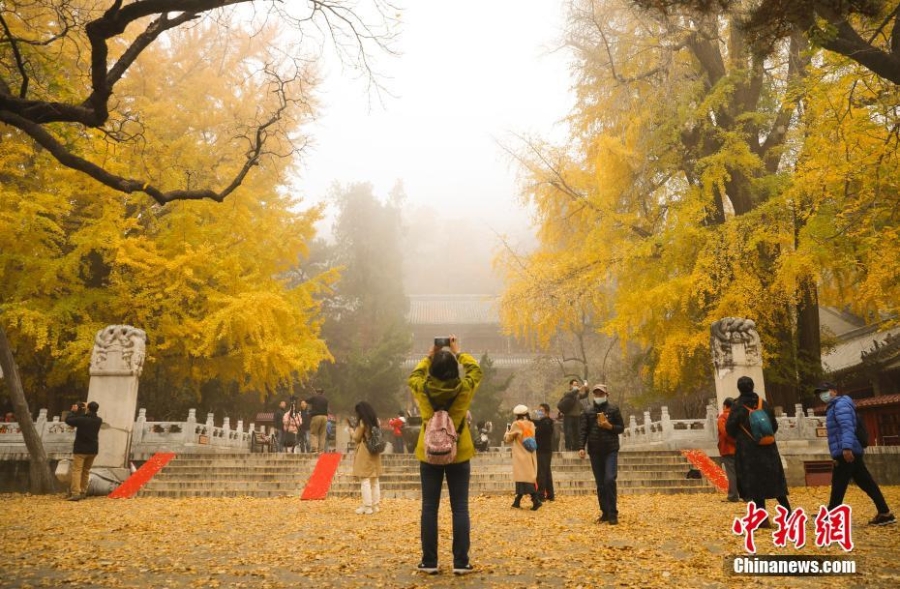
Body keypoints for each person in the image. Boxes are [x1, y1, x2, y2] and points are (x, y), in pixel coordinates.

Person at [408, 334, 483, 576]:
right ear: (454, 369)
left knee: (429, 507)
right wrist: (458, 351)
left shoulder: (423, 388)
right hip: (458, 452)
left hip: (429, 452)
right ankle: (461, 562)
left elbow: (414, 376)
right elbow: (475, 370)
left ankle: (429, 561)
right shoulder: (464, 388)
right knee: (460, 507)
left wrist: (430, 355)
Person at [817, 382, 896, 525]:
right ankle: (885, 512)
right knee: (866, 483)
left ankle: (831, 515)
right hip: (849, 449)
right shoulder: (835, 406)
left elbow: (847, 427)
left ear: (834, 391)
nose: (822, 395)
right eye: (819, 393)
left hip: (846, 450)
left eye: (825, 391)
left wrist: (846, 448)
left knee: (839, 484)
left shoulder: (840, 405)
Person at [725, 376, 791, 526]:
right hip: (768, 449)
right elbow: (773, 426)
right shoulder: (764, 403)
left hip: (748, 451)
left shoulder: (737, 406)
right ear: (753, 386)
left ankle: (762, 519)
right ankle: (788, 515)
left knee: (754, 484)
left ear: (739, 388)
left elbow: (730, 429)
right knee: (775, 482)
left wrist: (742, 437)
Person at [579, 384, 624, 524]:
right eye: (596, 394)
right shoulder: (588, 411)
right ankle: (605, 512)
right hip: (595, 451)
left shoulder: (614, 409)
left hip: (610, 450)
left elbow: (621, 428)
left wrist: (609, 426)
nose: (599, 396)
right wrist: (581, 447)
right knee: (600, 484)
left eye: (601, 394)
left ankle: (613, 513)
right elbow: (583, 430)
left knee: (609, 479)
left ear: (606, 394)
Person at [504, 405, 542, 510]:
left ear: (517, 415)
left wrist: (507, 431)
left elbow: (508, 439)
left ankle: (536, 500)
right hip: (530, 453)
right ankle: (517, 501)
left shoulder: (516, 424)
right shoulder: (531, 424)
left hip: (521, 455)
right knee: (524, 478)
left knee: (524, 478)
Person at [65, 401, 102, 501]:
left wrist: (73, 411)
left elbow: (68, 420)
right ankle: (83, 491)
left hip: (81, 449)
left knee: (77, 470)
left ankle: (75, 493)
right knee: (86, 471)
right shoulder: (99, 420)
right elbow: (86, 418)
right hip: (93, 449)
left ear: (88, 409)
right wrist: (86, 409)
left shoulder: (82, 419)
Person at [351, 401, 384, 514]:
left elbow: (356, 437)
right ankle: (375, 505)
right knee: (374, 479)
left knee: (364, 479)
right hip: (375, 452)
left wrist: (352, 431)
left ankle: (367, 506)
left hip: (365, 452)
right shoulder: (376, 421)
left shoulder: (363, 422)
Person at [717, 397, 739, 502]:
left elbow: (724, 432)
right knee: (740, 472)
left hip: (728, 448)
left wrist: (733, 441)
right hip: (740, 449)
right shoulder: (737, 416)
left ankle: (733, 495)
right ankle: (746, 494)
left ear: (725, 406)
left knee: (731, 473)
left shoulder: (723, 417)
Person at [534, 403, 556, 501]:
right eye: (539, 410)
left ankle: (540, 494)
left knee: (542, 473)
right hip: (543, 450)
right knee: (546, 472)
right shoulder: (543, 422)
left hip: (544, 451)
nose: (539, 412)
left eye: (541, 410)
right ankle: (550, 494)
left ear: (546, 412)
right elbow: (537, 422)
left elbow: (541, 429)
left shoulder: (547, 422)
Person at [559, 379, 587, 451]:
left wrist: (587, 389)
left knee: (577, 433)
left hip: (577, 416)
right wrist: (579, 389)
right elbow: (571, 393)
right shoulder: (567, 393)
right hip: (568, 416)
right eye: (575, 385)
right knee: (568, 433)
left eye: (577, 385)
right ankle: (568, 447)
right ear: (570, 385)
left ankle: (576, 448)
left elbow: (585, 395)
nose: (576, 386)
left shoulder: (578, 395)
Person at [306, 388, 329, 453]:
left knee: (313, 432)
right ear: (322, 392)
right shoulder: (326, 399)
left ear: (317, 392)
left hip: (316, 416)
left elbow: (307, 400)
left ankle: (314, 448)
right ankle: (321, 449)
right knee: (322, 434)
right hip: (324, 417)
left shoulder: (314, 398)